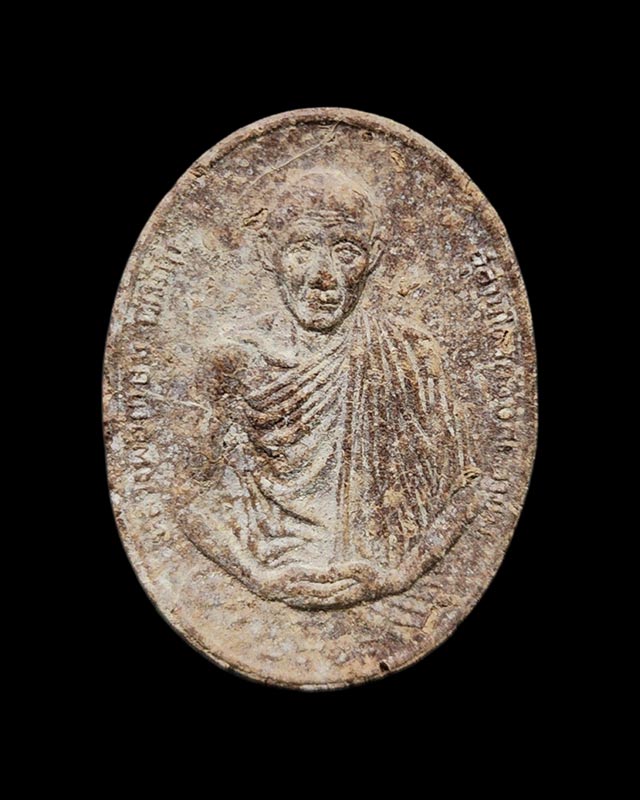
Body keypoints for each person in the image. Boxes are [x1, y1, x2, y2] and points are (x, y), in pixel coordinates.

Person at [184, 168, 480, 609]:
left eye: (346, 252)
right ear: (269, 252)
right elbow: (188, 497)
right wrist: (258, 577)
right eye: (302, 249)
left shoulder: (412, 354)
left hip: (392, 602)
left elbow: (466, 491)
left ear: (374, 257)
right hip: (261, 586)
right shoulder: (232, 360)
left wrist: (397, 577)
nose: (323, 276)